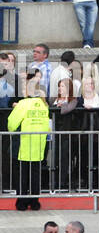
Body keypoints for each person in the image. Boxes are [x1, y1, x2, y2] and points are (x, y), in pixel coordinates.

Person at [9, 78, 50, 210]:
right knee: (35, 174)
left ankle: (21, 203)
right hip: (38, 145)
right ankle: (34, 202)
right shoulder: (43, 104)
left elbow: (11, 124)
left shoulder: (23, 104)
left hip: (23, 144)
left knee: (21, 174)